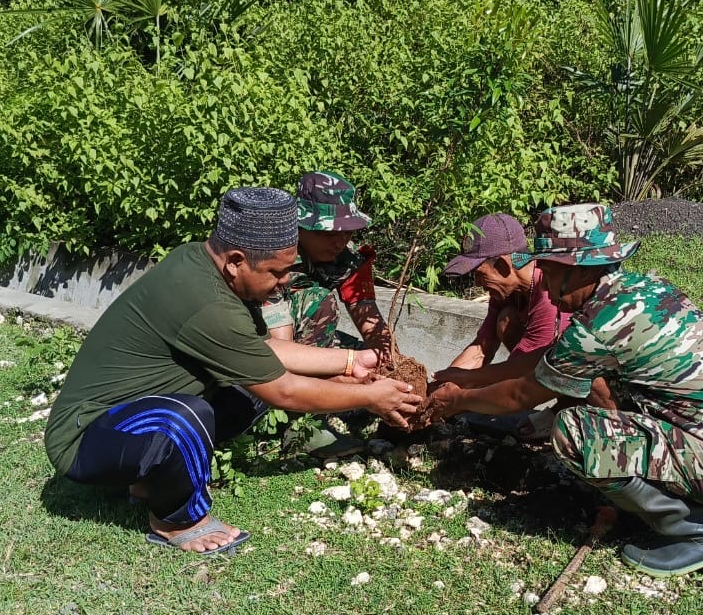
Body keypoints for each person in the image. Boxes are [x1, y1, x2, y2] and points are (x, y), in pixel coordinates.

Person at [424, 203, 703, 577]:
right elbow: (547, 360)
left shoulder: (597, 328)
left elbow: (520, 396)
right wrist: (465, 379)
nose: (548, 288)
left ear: (574, 270)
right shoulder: (649, 289)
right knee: (611, 396)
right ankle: (665, 496)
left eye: (549, 272)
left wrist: (458, 400)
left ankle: (701, 534)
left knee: (575, 432)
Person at [44, 186, 421, 555]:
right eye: (277, 272)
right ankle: (177, 520)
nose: (284, 281)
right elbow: (284, 391)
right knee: (186, 417)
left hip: (128, 422)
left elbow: (265, 351)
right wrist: (369, 397)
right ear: (236, 261)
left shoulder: (203, 263)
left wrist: (353, 361)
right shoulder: (206, 303)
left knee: (246, 390)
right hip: (85, 439)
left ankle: (146, 482)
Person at [262, 171, 395, 457]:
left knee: (370, 359)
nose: (339, 242)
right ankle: (301, 425)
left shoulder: (348, 260)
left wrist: (392, 364)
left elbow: (368, 317)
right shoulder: (272, 256)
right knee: (320, 302)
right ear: (299, 226)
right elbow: (279, 348)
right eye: (328, 233)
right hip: (261, 348)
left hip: (299, 340)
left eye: (347, 232)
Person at [435, 212, 569, 388]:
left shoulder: (548, 293)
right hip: (530, 363)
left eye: (479, 274)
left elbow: (523, 366)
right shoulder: (505, 291)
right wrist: (442, 384)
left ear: (502, 265)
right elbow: (482, 348)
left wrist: (459, 394)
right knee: (506, 318)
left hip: (571, 371)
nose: (477, 283)